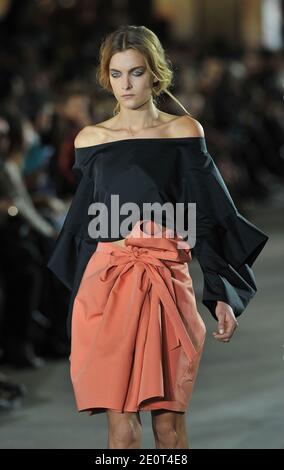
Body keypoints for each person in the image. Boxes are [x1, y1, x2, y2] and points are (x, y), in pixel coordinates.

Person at [47, 26, 269, 449]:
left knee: (169, 430)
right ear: (105, 77)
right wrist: (78, 296)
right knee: (122, 433)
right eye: (116, 74)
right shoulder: (91, 139)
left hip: (166, 284)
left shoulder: (183, 132)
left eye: (135, 73)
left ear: (155, 74)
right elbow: (84, 223)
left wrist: (222, 290)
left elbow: (208, 215)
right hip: (107, 287)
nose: (125, 84)